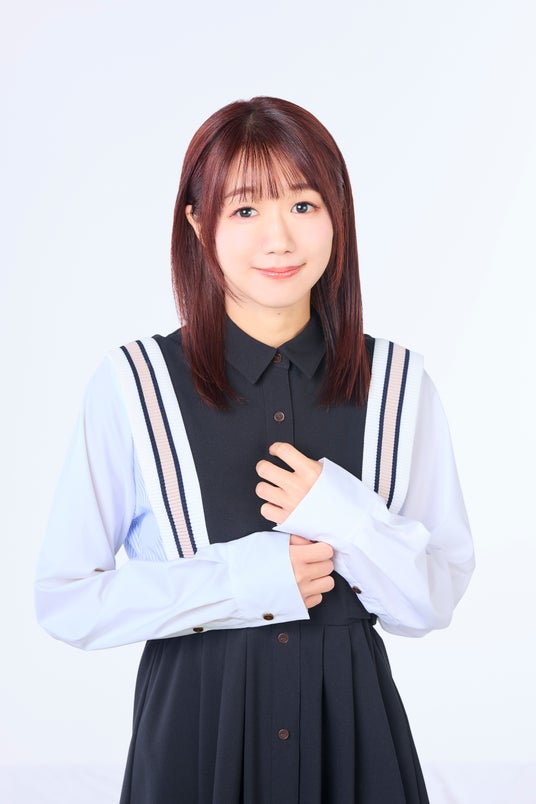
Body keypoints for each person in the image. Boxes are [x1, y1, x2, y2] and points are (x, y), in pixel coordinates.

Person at [35, 96, 474, 804]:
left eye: (303, 205)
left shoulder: (398, 382)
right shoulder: (135, 385)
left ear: (337, 214)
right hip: (194, 738)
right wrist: (242, 582)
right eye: (245, 209)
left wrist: (345, 514)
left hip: (353, 740)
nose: (279, 239)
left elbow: (431, 602)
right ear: (197, 221)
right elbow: (66, 599)